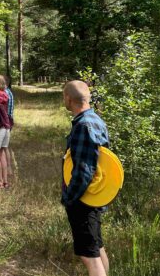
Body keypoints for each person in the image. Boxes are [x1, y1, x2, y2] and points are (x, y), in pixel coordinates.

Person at [62, 80, 110, 276]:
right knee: (96, 248)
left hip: (84, 199)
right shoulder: (95, 120)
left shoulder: (84, 125)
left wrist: (70, 198)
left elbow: (84, 171)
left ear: (68, 98)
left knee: (89, 256)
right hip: (94, 195)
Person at [4, 75, 15, 176]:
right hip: (8, 121)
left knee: (2, 147)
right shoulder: (8, 92)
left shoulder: (5, 93)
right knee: (4, 146)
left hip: (5, 122)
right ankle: (8, 169)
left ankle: (6, 170)